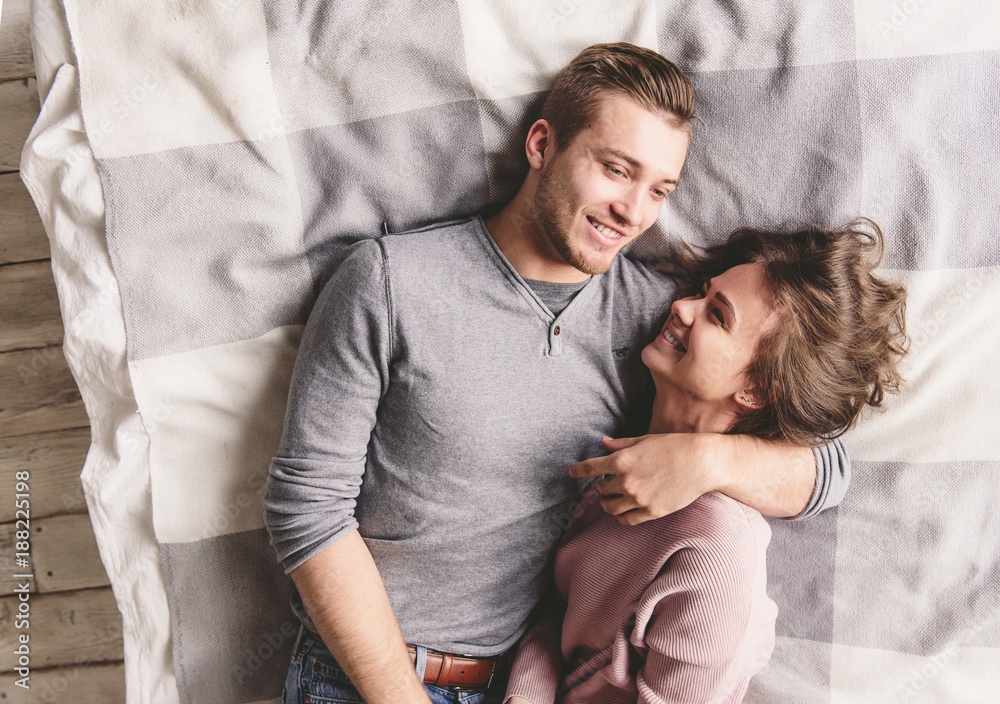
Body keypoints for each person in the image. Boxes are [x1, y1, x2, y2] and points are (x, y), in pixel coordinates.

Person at [263, 43, 851, 704]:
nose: (633, 211)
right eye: (615, 170)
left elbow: (827, 465)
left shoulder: (660, 323)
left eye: (659, 189)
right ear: (542, 144)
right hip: (360, 677)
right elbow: (306, 509)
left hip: (520, 684)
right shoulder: (389, 282)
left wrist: (706, 462)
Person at [504, 221, 908, 704]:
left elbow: (832, 469)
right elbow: (555, 613)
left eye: (717, 315)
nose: (681, 306)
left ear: (756, 389)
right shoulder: (627, 455)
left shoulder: (716, 555)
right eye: (702, 292)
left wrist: (708, 459)